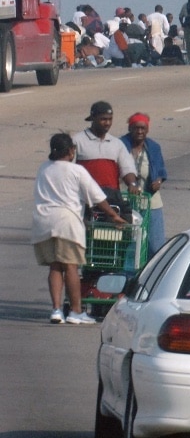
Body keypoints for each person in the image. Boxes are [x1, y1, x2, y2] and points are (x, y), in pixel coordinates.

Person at [34, 132, 126, 324]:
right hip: (66, 223)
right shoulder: (76, 171)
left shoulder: (44, 168)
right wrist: (114, 215)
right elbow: (98, 197)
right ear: (70, 150)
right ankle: (76, 312)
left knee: (55, 266)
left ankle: (56, 310)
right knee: (71, 267)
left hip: (43, 222)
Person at [75, 101, 140, 208]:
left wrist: (132, 184)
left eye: (110, 119)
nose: (107, 123)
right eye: (103, 119)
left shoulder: (117, 143)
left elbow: (127, 168)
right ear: (93, 118)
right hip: (85, 200)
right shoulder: (78, 141)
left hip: (111, 200)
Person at [120, 113, 168, 255]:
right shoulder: (121, 145)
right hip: (127, 202)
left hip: (150, 201)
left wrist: (158, 181)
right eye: (136, 128)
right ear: (130, 128)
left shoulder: (153, 147)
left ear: (147, 129)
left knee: (155, 247)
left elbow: (161, 170)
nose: (139, 132)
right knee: (129, 246)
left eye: (143, 128)